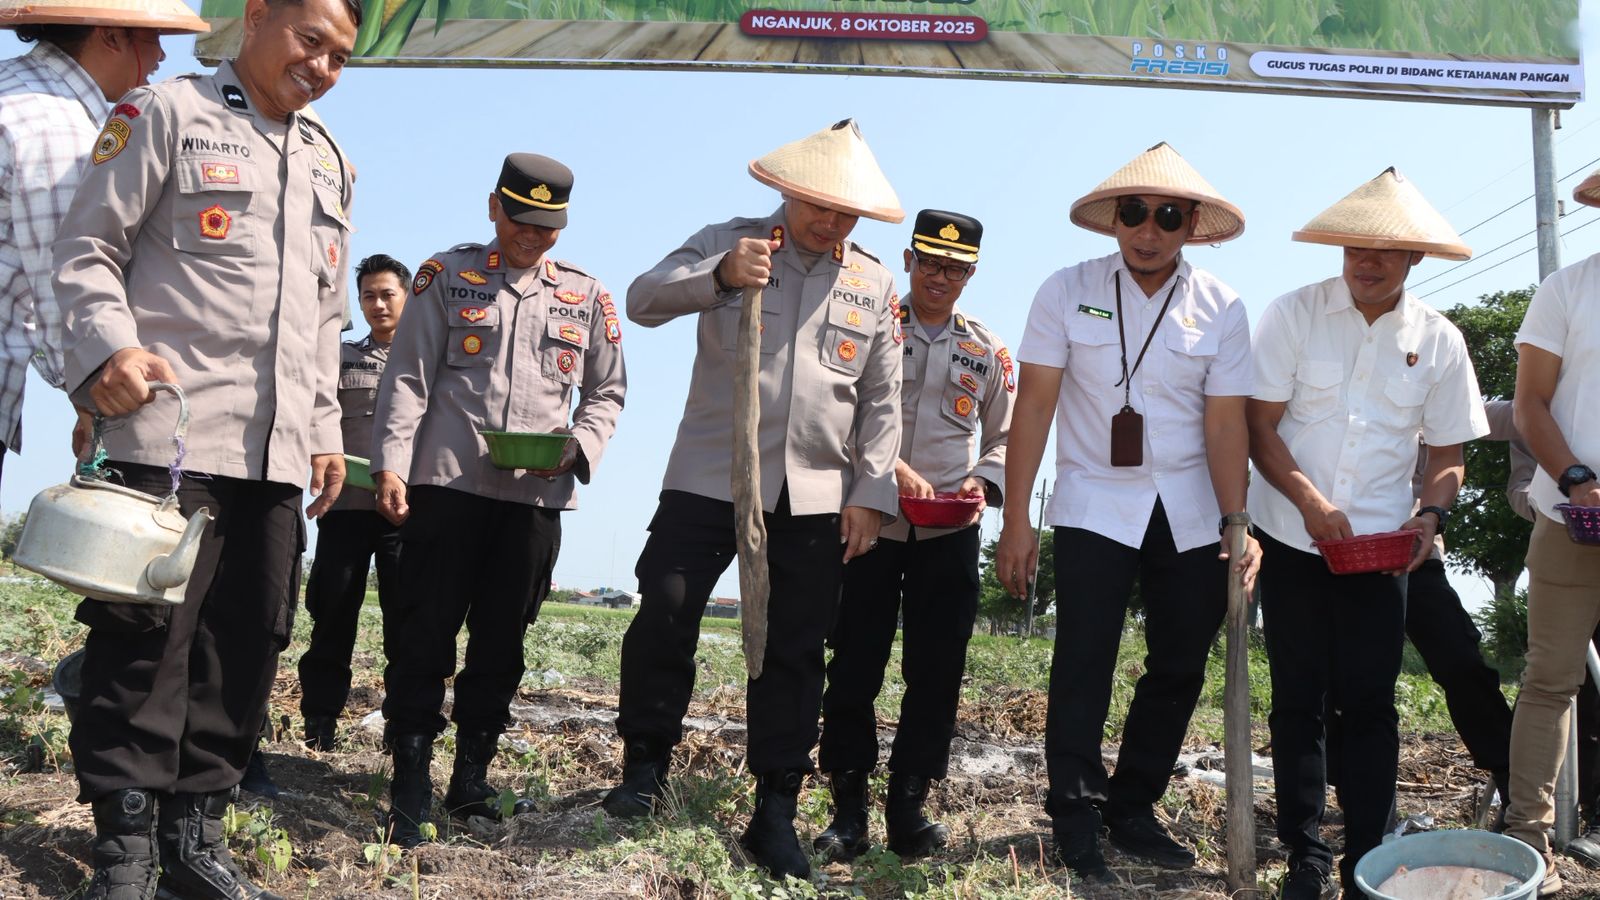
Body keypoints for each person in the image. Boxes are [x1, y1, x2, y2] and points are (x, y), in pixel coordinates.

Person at [50, 0, 361, 894]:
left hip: (275, 453)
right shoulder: (166, 115)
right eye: (311, 41)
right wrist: (107, 350)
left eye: (340, 57)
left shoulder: (332, 159)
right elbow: (86, 249)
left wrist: (328, 429)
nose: (322, 67)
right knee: (143, 645)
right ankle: (127, 849)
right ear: (259, 17)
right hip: (169, 436)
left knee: (245, 644)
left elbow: (326, 313)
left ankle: (195, 839)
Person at [606, 118, 903, 880]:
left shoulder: (873, 282)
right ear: (786, 190)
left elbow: (880, 399)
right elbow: (642, 299)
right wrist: (719, 279)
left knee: (794, 652)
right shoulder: (730, 240)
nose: (831, 223)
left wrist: (870, 492)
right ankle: (644, 770)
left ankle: (773, 811)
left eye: (846, 214)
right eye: (819, 207)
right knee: (665, 609)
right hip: (708, 474)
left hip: (811, 495)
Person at [993, 142, 1259, 883]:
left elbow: (1226, 424)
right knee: (1084, 659)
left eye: (1168, 216)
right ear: (1114, 219)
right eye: (1135, 213)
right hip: (1093, 502)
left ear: (1190, 225)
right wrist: (1018, 519)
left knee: (1178, 663)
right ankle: (1075, 813)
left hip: (1190, 509)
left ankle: (1133, 806)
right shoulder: (1065, 289)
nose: (1149, 230)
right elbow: (1036, 403)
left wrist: (1239, 525)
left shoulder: (1221, 307)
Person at [370, 153, 626, 849]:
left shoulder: (586, 296)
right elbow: (407, 380)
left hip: (535, 499)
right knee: (423, 636)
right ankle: (411, 784)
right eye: (521, 222)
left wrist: (581, 445)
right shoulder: (446, 277)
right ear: (494, 208)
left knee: (502, 643)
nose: (532, 237)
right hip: (448, 485)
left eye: (547, 228)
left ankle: (470, 780)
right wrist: (392, 464)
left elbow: (606, 393)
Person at [1247, 168, 1488, 899]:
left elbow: (1448, 457)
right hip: (1292, 536)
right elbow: (1260, 427)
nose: (1368, 262)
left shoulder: (1439, 341)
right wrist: (1311, 500)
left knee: (1371, 701)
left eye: (1386, 252)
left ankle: (1366, 861)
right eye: (1355, 247)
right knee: (1297, 697)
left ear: (1414, 259)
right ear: (1340, 249)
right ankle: (1305, 853)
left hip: (1382, 553)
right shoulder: (1293, 314)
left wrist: (1430, 516)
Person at [815, 209, 1011, 861]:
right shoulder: (868, 327)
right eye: (930, 263)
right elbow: (834, 408)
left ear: (971, 273)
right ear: (908, 260)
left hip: (947, 535)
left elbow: (1007, 435)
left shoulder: (985, 348)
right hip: (868, 522)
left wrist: (984, 482)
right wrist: (888, 467)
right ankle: (848, 811)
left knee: (937, 672)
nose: (941, 276)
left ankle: (908, 806)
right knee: (855, 665)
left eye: (955, 268)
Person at [1, 0, 207, 481]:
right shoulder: (57, 124)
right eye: (152, 38)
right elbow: (63, 273)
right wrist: (98, 384)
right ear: (111, 37)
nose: (159, 58)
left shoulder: (16, 89)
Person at [1504, 166, 1600, 898]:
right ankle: (1527, 843)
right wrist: (1575, 479)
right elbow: (1530, 405)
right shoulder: (1567, 289)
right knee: (1550, 681)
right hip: (1574, 515)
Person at [296, 253, 410, 751]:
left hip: (404, 514)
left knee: (406, 623)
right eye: (368, 296)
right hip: (345, 509)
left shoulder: (429, 362)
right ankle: (319, 723)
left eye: (388, 294)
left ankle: (402, 728)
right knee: (332, 617)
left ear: (407, 297)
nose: (378, 304)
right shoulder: (341, 358)